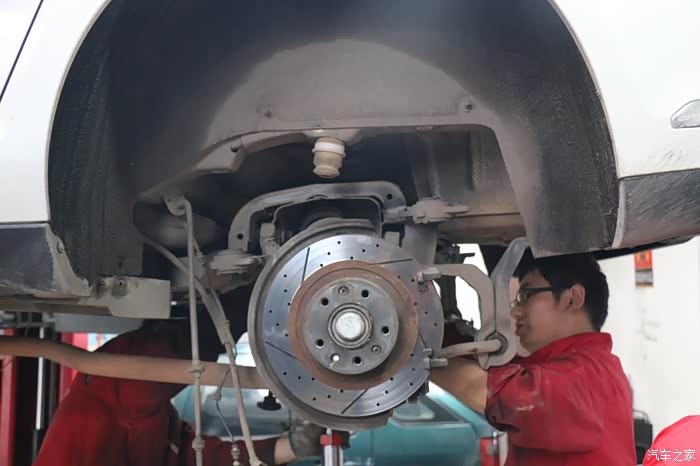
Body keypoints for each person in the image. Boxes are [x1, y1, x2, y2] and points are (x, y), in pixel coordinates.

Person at [33, 287, 335, 466]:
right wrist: (291, 447)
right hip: (129, 382)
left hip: (121, 384)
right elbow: (198, 457)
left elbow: (152, 369)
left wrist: (254, 298)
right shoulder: (149, 428)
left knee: (187, 347)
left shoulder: (113, 401)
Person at [431, 250, 636, 465]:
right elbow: (491, 368)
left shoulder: (589, 377)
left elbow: (483, 389)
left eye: (526, 295)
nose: (515, 312)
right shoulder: (560, 368)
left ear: (572, 298)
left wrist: (417, 357)